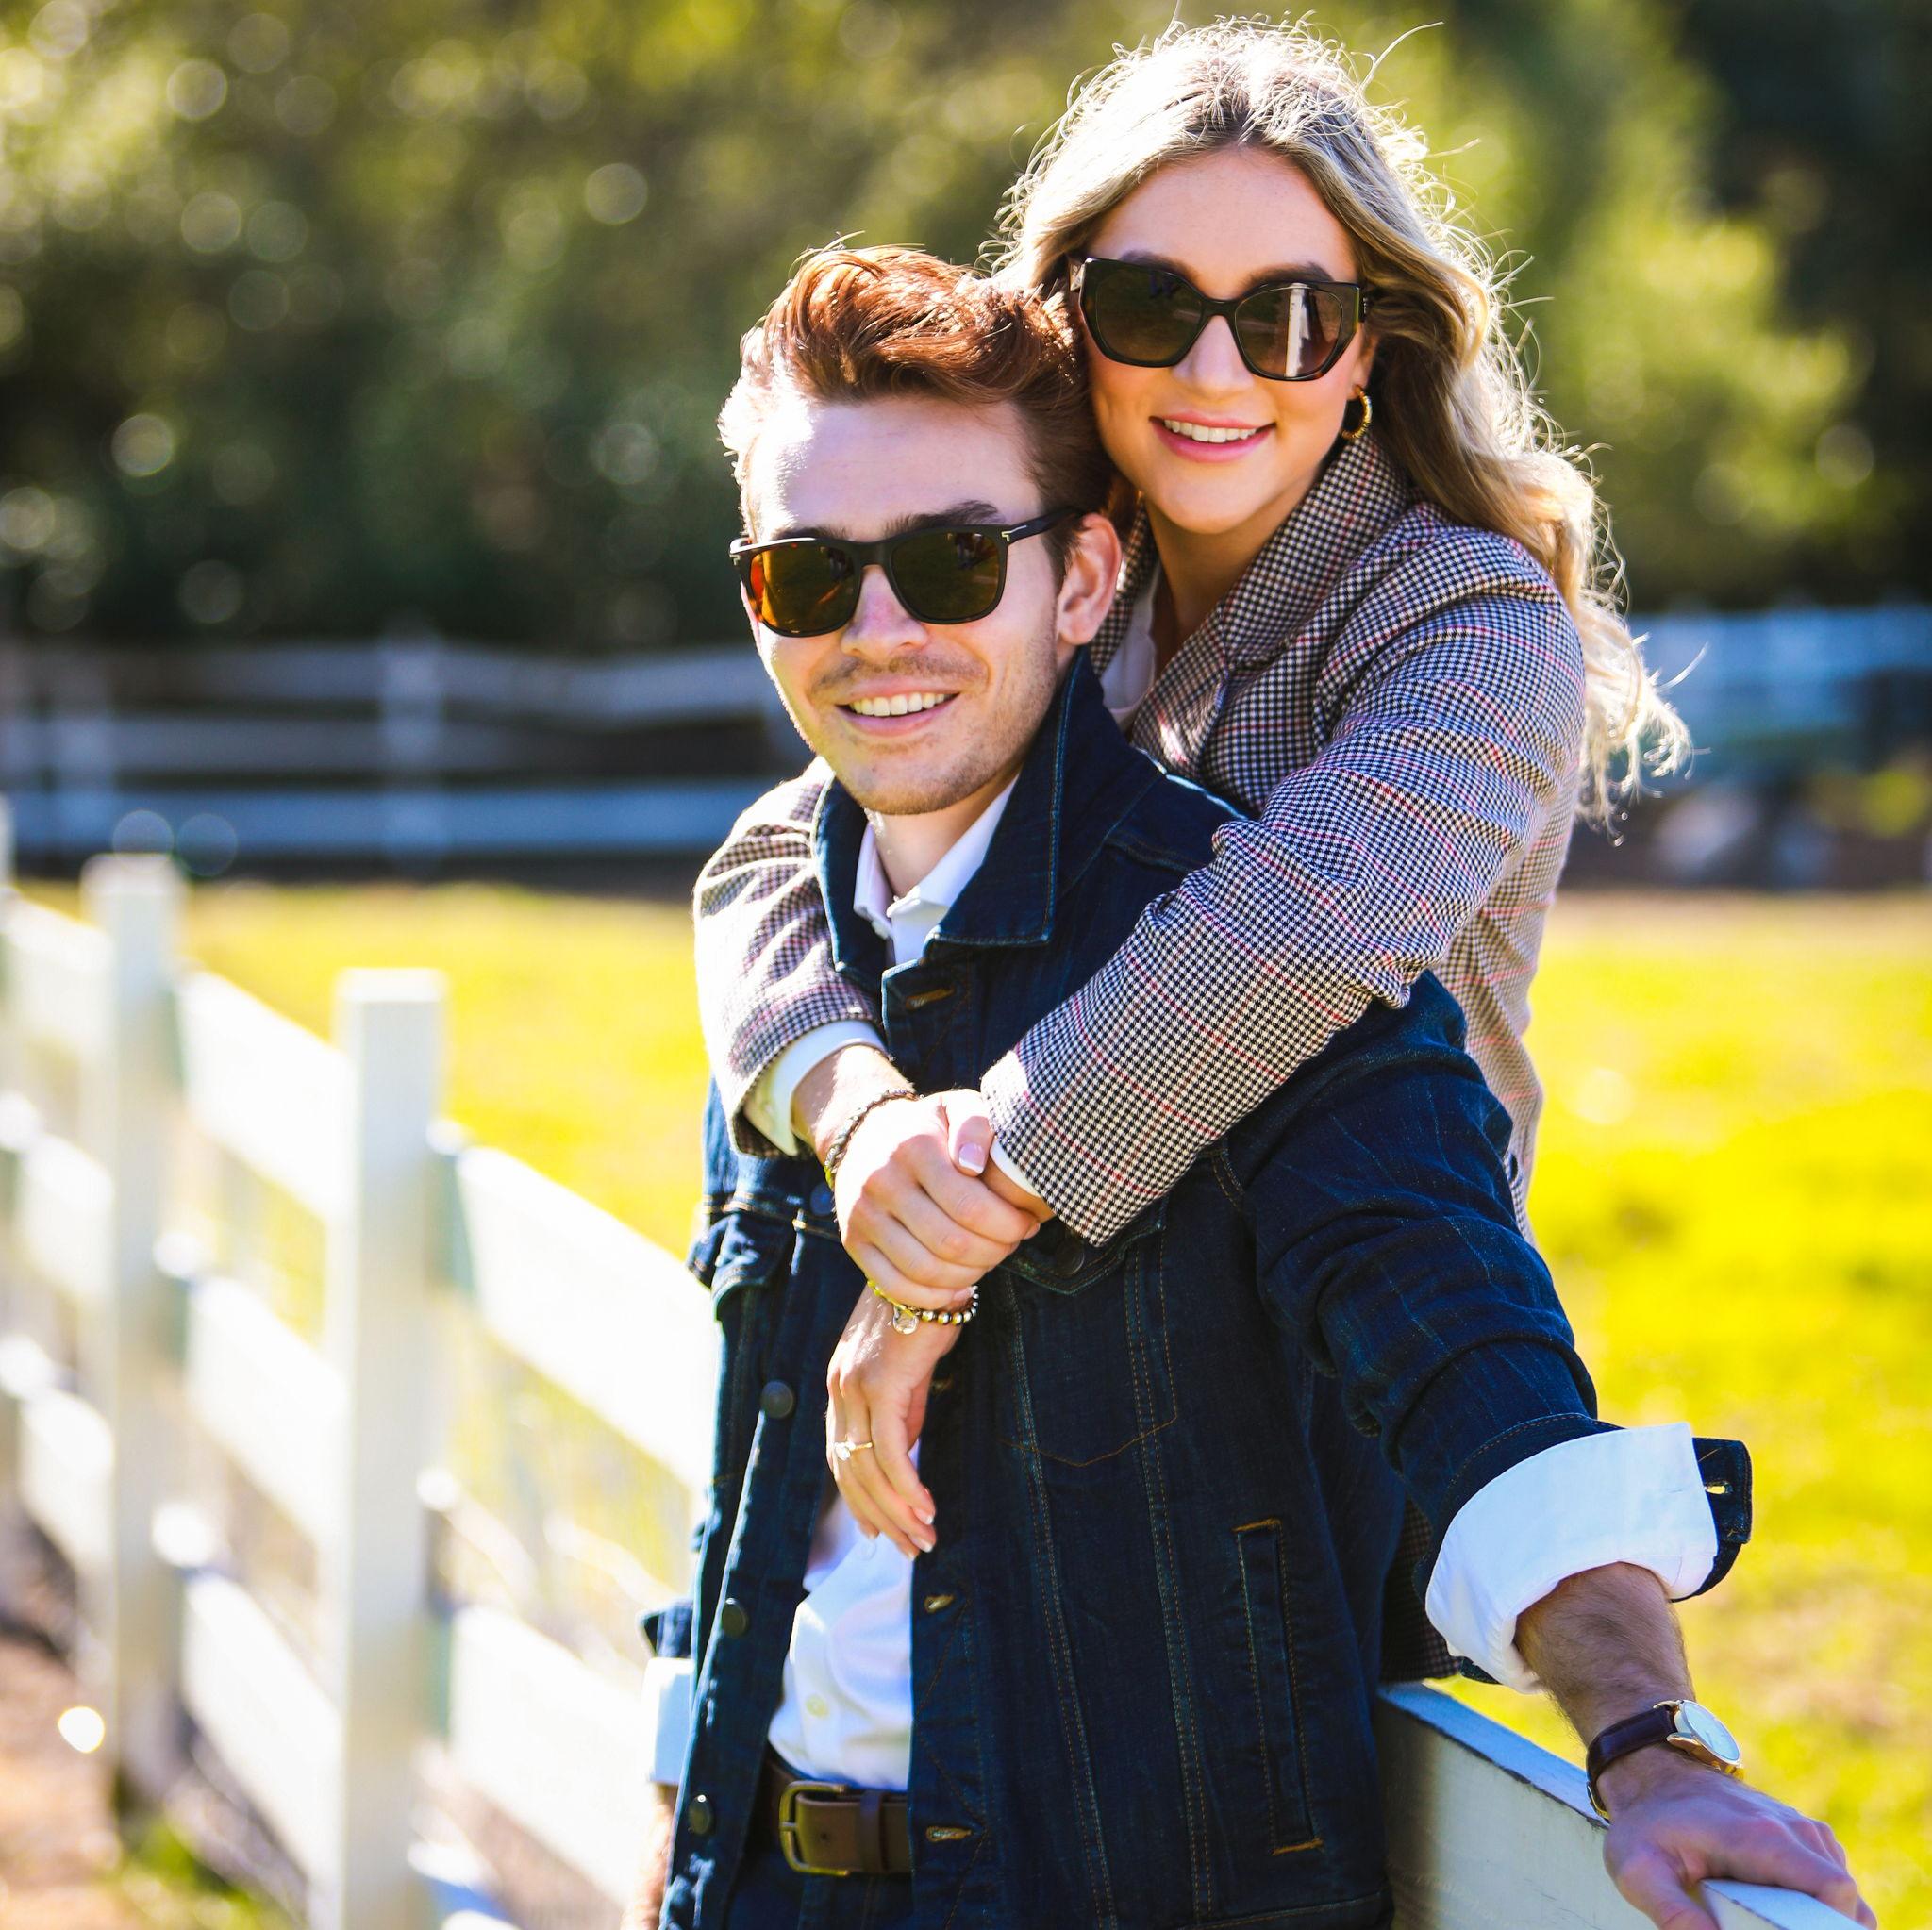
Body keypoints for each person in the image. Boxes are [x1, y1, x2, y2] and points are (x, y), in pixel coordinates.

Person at [622, 244, 1871, 1930]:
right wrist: (679, 1824)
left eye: (951, 560)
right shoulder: (795, 986)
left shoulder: (1251, 976)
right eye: (809, 575)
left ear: (1082, 579)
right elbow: (752, 1480)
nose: (880, 630)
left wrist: (1652, 1740)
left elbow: (1469, 1358)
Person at [685, 23, 1696, 1682]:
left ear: (1368, 348)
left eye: (1290, 317)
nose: (1219, 373)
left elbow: (1284, 940)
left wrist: (934, 1251)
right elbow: (775, 855)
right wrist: (853, 1110)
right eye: (1154, 307)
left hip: (1322, 1373)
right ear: (1072, 319)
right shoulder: (1060, 566)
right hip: (1063, 1346)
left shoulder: (1469, 623)